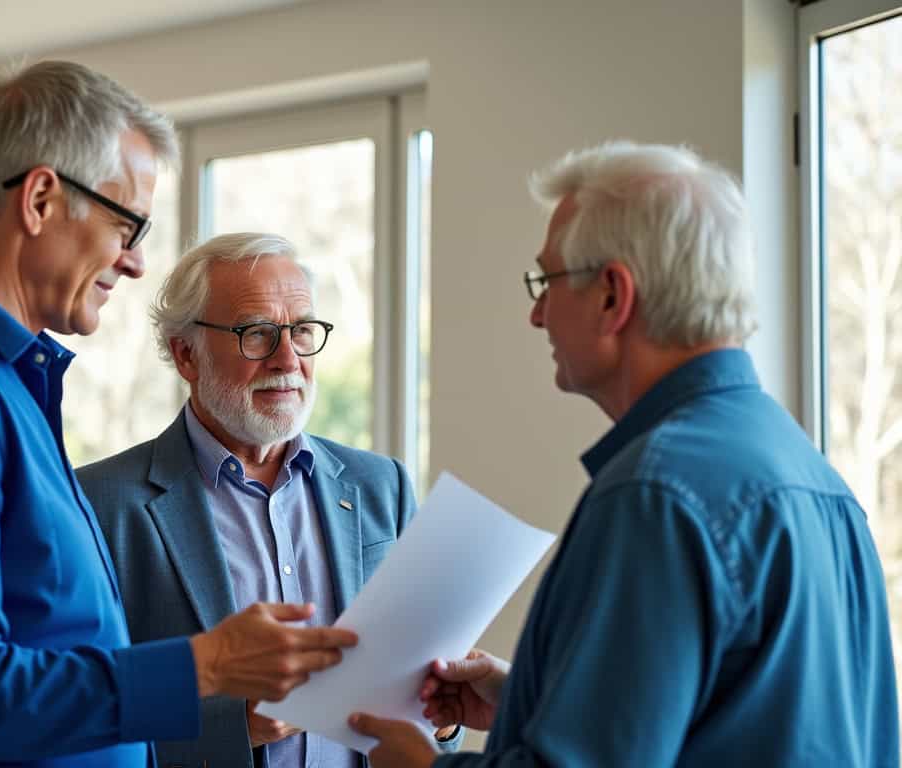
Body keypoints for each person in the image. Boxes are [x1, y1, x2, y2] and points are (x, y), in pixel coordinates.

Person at [0, 63, 358, 768]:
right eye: (126, 223)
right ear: (41, 198)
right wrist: (208, 664)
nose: (135, 263)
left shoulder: (0, 378)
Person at [348, 141, 899, 767]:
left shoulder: (655, 494)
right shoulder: (814, 475)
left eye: (546, 282)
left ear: (612, 295)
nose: (537, 316)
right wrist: (530, 703)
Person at [77, 232, 461, 768]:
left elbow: (429, 712)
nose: (287, 359)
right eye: (256, 334)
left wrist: (443, 715)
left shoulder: (382, 486)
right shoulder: (101, 504)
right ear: (186, 354)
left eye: (302, 331)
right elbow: (75, 715)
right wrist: (233, 729)